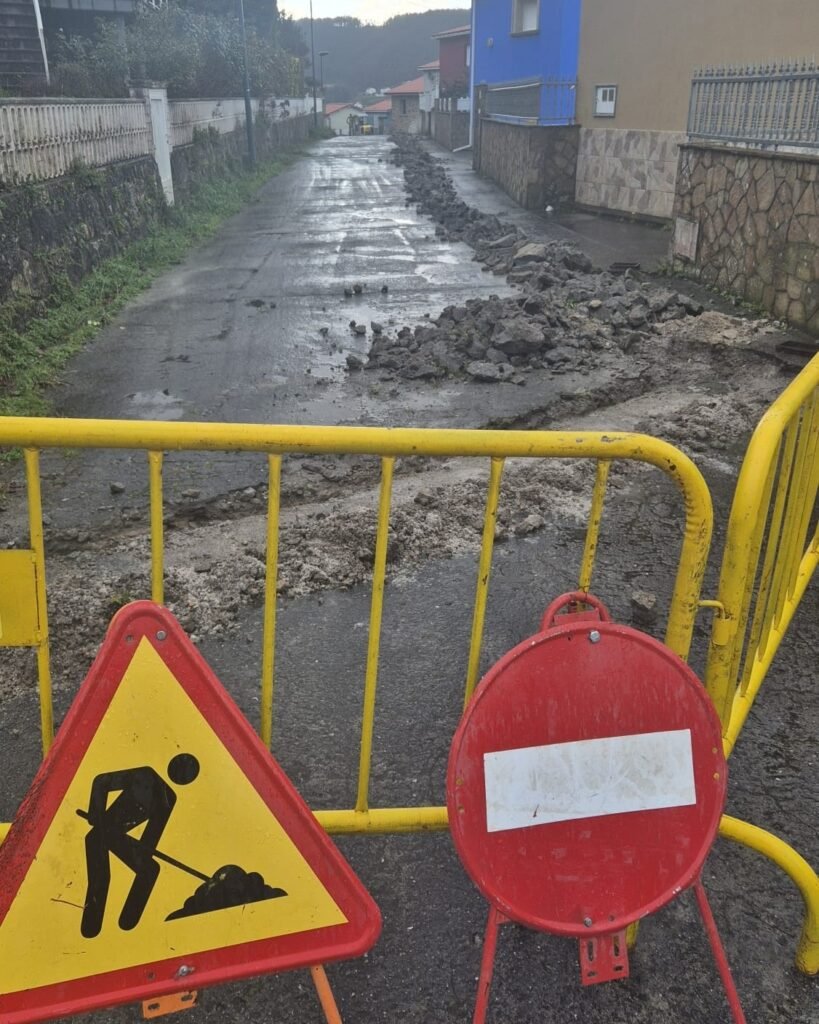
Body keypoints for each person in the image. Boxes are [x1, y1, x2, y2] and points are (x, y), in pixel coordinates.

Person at [79, 753, 199, 938]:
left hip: (115, 834)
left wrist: (142, 852)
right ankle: (91, 924)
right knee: (101, 873)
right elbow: (101, 782)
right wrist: (96, 812)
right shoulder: (145, 776)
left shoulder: (169, 799)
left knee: (150, 868)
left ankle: (129, 921)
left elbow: (151, 837)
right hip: (101, 832)